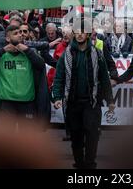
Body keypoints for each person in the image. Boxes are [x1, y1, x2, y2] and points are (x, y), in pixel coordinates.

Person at [52, 24, 115, 169]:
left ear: (88, 34)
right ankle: (79, 164)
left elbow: (104, 78)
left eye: (83, 32)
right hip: (73, 103)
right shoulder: (66, 54)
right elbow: (59, 78)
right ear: (74, 34)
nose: (80, 35)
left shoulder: (97, 53)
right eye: (77, 32)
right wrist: (57, 97)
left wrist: (110, 99)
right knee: (76, 136)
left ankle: (90, 164)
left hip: (91, 103)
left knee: (93, 135)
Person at [0, 25, 46, 123]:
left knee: (26, 135)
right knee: (7, 135)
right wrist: (3, 50)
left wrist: (27, 50)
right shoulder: (2, 53)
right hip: (7, 101)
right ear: (8, 38)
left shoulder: (29, 52)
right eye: (16, 33)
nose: (20, 35)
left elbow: (41, 65)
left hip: (27, 101)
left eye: (21, 32)